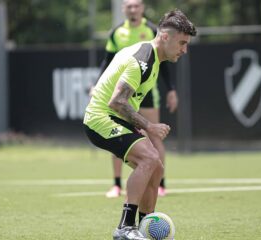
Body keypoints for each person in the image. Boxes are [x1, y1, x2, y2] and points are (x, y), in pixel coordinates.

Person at [83, 9, 196, 240]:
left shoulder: (152, 57)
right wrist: (150, 126)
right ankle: (125, 228)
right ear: (165, 36)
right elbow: (117, 102)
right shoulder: (142, 60)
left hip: (114, 117)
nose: (184, 50)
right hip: (100, 118)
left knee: (156, 167)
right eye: (182, 43)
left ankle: (145, 226)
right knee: (149, 158)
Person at [100, 0, 178, 199]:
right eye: (129, 6)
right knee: (117, 134)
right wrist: (97, 85)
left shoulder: (153, 30)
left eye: (136, 5)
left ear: (142, 8)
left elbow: (165, 62)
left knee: (154, 135)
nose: (133, 9)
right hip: (123, 92)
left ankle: (161, 184)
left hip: (147, 92)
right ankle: (116, 185)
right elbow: (107, 62)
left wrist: (171, 90)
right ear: (123, 9)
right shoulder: (116, 32)